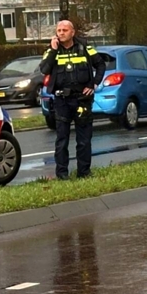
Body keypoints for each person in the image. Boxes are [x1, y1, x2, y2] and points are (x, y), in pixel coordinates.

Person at [39, 19, 105, 179]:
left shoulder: (85, 48)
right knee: (62, 139)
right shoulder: (51, 50)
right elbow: (44, 69)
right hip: (62, 101)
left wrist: (94, 84)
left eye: (64, 30)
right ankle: (62, 175)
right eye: (59, 30)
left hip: (82, 99)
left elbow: (101, 65)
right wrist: (54, 50)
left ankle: (84, 173)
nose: (61, 33)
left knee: (84, 139)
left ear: (72, 32)